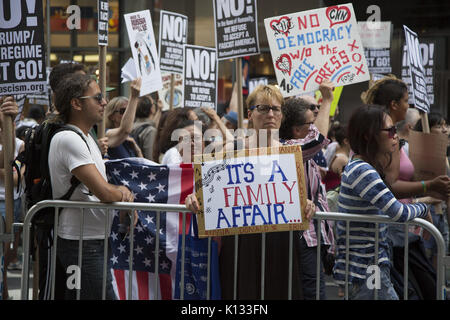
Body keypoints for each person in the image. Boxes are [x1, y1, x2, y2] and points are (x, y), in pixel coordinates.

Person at [185, 84, 322, 300]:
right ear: (250, 114)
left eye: (276, 109)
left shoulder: (290, 153)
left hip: (280, 242)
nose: (270, 114)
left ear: (282, 115)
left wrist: (307, 204)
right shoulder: (232, 150)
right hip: (241, 244)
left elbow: (297, 196)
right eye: (263, 108)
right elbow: (205, 191)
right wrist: (193, 198)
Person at [332, 104, 435, 300]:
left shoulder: (361, 166)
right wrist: (423, 209)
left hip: (368, 267)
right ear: (368, 135)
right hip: (365, 269)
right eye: (389, 131)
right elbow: (398, 213)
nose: (395, 135)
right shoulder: (363, 170)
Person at [49, 72, 134, 300]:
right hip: (81, 244)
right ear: (76, 103)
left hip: (92, 239)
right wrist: (123, 192)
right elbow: (104, 192)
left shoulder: (86, 137)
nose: (104, 102)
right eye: (97, 98)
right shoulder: (69, 139)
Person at [279, 81, 336, 300]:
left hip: (313, 235)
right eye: (311, 122)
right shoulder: (288, 149)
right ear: (297, 130)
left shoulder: (303, 155)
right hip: (302, 235)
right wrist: (327, 100)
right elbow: (319, 139)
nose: (317, 122)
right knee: (312, 294)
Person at [0, 96, 24, 299]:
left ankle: (5, 292)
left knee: (6, 254)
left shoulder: (19, 142)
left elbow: (14, 177)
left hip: (10, 202)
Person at [104, 79, 143, 160]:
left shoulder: (130, 137)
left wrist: (138, 151)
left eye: (129, 110)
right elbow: (124, 130)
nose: (127, 114)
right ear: (111, 116)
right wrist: (134, 96)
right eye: (123, 111)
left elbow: (142, 165)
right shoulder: (105, 134)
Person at [130, 95, 159, 160]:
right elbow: (150, 158)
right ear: (151, 109)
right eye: (153, 103)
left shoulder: (131, 127)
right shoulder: (150, 131)